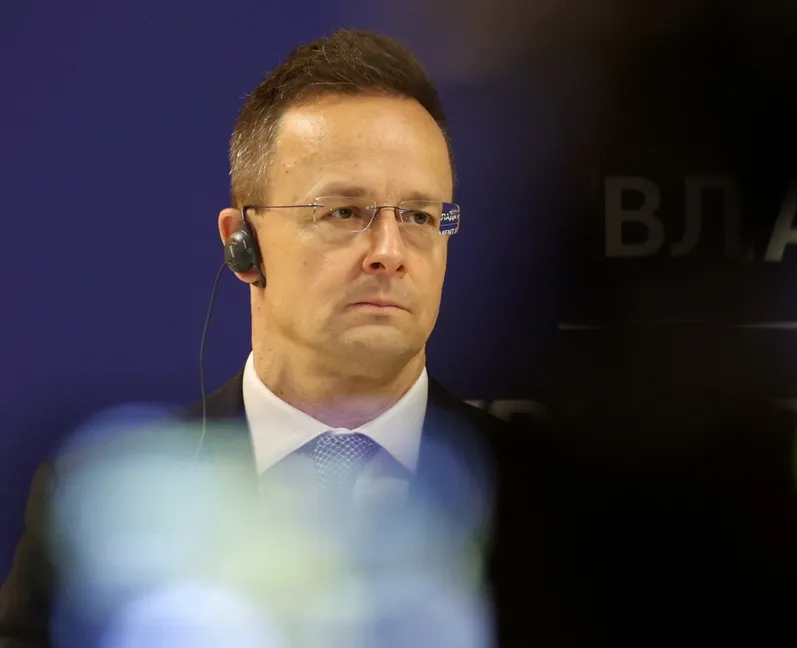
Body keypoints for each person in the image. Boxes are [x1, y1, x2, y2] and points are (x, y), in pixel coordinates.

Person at [0, 29, 582, 647]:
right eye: (343, 212)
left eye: (419, 216)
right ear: (242, 244)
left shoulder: (556, 503)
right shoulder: (110, 499)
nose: (389, 252)